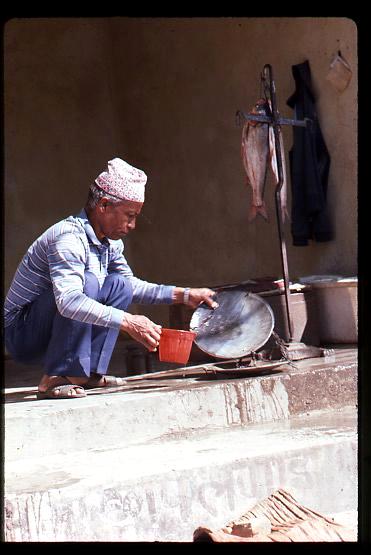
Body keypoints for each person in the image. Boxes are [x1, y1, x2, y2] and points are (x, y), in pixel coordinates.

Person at [4, 157, 218, 399]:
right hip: (22, 334)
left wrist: (184, 295)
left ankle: (89, 373)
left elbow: (130, 286)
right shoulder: (68, 238)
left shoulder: (109, 243)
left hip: (53, 325)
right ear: (104, 205)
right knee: (89, 283)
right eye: (129, 215)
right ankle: (56, 376)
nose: (133, 225)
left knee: (119, 286)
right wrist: (128, 321)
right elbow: (69, 301)